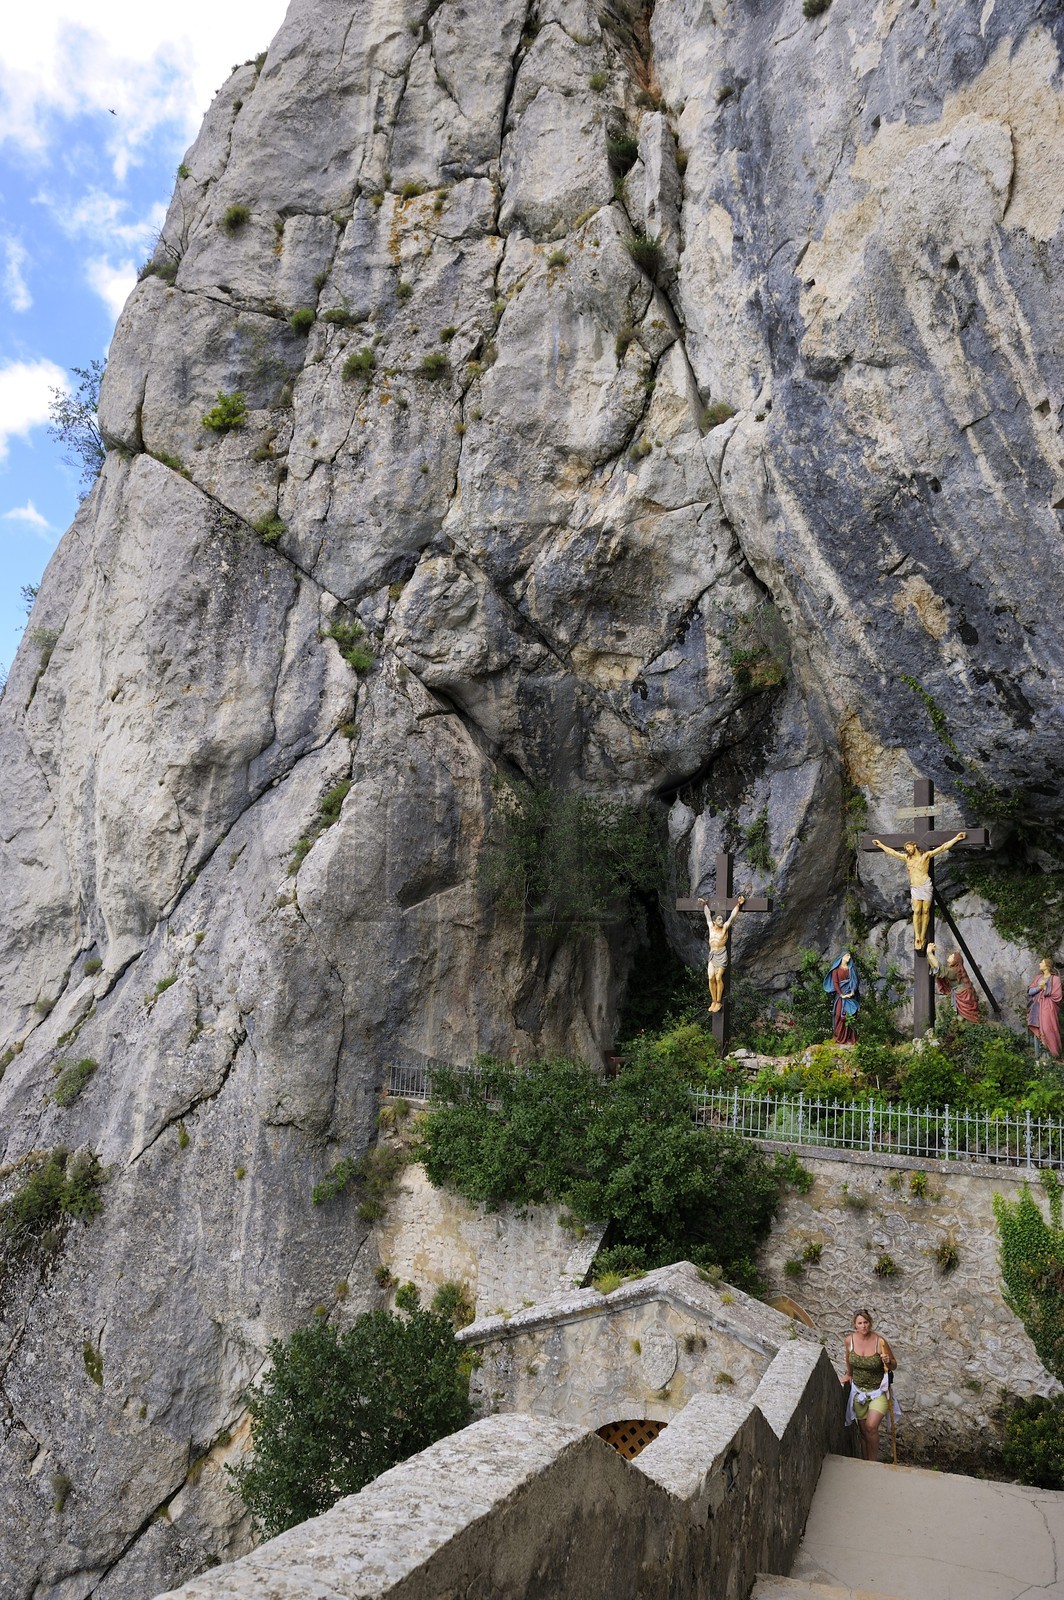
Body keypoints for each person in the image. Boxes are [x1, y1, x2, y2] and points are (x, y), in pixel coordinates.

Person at [869, 833, 967, 950]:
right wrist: (880, 845)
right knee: (916, 911)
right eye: (906, 849)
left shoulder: (925, 856)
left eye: (908, 847)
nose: (907, 849)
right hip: (915, 887)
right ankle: (917, 937)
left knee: (925, 911)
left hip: (925, 885)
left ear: (914, 846)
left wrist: (956, 838)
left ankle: (923, 934)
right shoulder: (907, 858)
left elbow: (943, 847)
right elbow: (892, 852)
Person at [840, 1309, 898, 1461]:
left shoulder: (880, 1342)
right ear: (855, 1325)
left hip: (878, 1392)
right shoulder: (849, 1341)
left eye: (866, 1322)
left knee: (871, 1426)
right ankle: (865, 1462)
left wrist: (888, 1361)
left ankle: (872, 1463)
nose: (863, 1326)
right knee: (863, 1431)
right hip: (859, 1392)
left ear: (870, 1323)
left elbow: (894, 1365)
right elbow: (849, 1359)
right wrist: (849, 1375)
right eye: (860, 1323)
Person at [698, 895, 744, 1013]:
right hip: (712, 955)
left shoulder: (724, 929)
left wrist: (738, 904)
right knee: (710, 977)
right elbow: (707, 915)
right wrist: (705, 904)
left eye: (721, 919)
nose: (721, 921)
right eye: (718, 919)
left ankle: (718, 1002)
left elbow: (732, 916)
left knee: (718, 977)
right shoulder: (711, 927)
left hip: (721, 955)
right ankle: (713, 1001)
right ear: (714, 921)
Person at [927, 944, 981, 1024]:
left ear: (955, 960)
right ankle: (959, 1022)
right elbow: (937, 969)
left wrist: (929, 953)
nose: (949, 956)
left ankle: (966, 1024)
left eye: (952, 956)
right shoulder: (954, 970)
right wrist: (929, 955)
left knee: (967, 1016)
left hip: (963, 996)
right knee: (952, 1011)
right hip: (959, 994)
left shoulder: (955, 971)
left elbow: (940, 969)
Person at [1028, 959, 1063, 1060]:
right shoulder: (1038, 977)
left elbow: (1058, 996)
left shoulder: (1055, 979)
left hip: (1049, 1008)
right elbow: (1030, 991)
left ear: (1047, 966)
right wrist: (1039, 988)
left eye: (1042, 963)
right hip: (1036, 1007)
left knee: (1048, 1028)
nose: (1039, 964)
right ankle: (1039, 1056)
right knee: (1037, 1026)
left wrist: (1045, 989)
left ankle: (1053, 1055)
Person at [824, 952, 859, 1045]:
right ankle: (838, 1037)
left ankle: (849, 1038)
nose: (849, 957)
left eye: (850, 955)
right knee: (838, 1014)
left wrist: (852, 992)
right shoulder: (835, 970)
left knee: (849, 1016)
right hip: (841, 996)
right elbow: (835, 983)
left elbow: (855, 981)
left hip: (850, 996)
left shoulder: (851, 969)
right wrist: (841, 994)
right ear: (842, 957)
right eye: (847, 955)